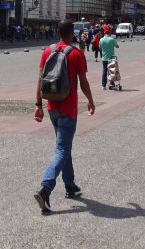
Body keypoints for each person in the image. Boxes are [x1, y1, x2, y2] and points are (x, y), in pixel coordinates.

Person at [33, 20, 95, 214]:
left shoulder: (47, 51)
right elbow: (83, 82)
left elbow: (40, 80)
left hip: (52, 107)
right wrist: (91, 100)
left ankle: (70, 185)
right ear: (71, 33)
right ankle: (45, 189)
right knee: (62, 148)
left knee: (64, 145)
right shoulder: (76, 53)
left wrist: (38, 106)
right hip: (68, 109)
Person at [99, 25, 118, 90]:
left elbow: (100, 48)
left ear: (104, 32)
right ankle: (111, 84)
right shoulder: (112, 39)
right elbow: (117, 46)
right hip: (111, 58)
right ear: (109, 32)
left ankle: (103, 85)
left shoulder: (101, 39)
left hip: (104, 58)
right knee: (111, 71)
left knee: (104, 71)